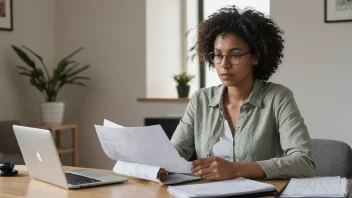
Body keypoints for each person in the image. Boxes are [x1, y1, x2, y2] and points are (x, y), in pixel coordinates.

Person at [170, 5, 316, 181]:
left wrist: (236, 169)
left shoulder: (278, 98)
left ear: (256, 57)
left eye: (235, 55)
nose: (224, 64)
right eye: (218, 55)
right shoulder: (200, 100)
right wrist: (161, 166)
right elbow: (173, 154)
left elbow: (304, 162)